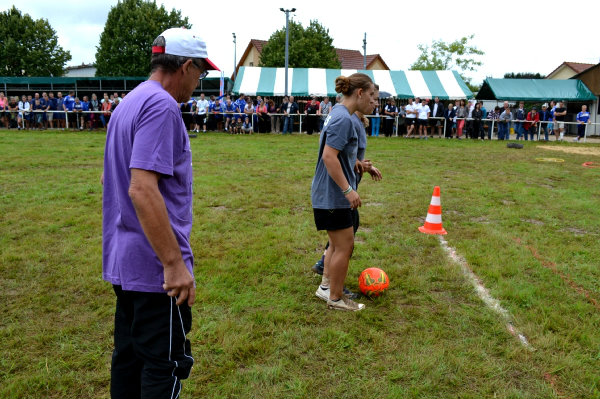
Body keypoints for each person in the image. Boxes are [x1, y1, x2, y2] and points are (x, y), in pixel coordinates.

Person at [102, 27, 217, 398]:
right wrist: (173, 263)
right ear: (185, 66)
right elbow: (141, 188)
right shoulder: (163, 106)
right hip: (154, 271)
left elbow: (111, 179)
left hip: (125, 260)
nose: (199, 83)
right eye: (201, 73)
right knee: (164, 364)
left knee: (130, 359)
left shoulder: (129, 102)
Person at [311, 73, 375, 311]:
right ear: (359, 93)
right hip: (332, 195)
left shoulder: (338, 113)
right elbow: (329, 157)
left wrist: (358, 164)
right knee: (344, 246)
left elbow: (339, 152)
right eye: (371, 95)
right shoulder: (344, 119)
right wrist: (348, 190)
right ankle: (336, 298)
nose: (373, 101)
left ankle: (328, 289)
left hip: (328, 194)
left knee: (338, 245)